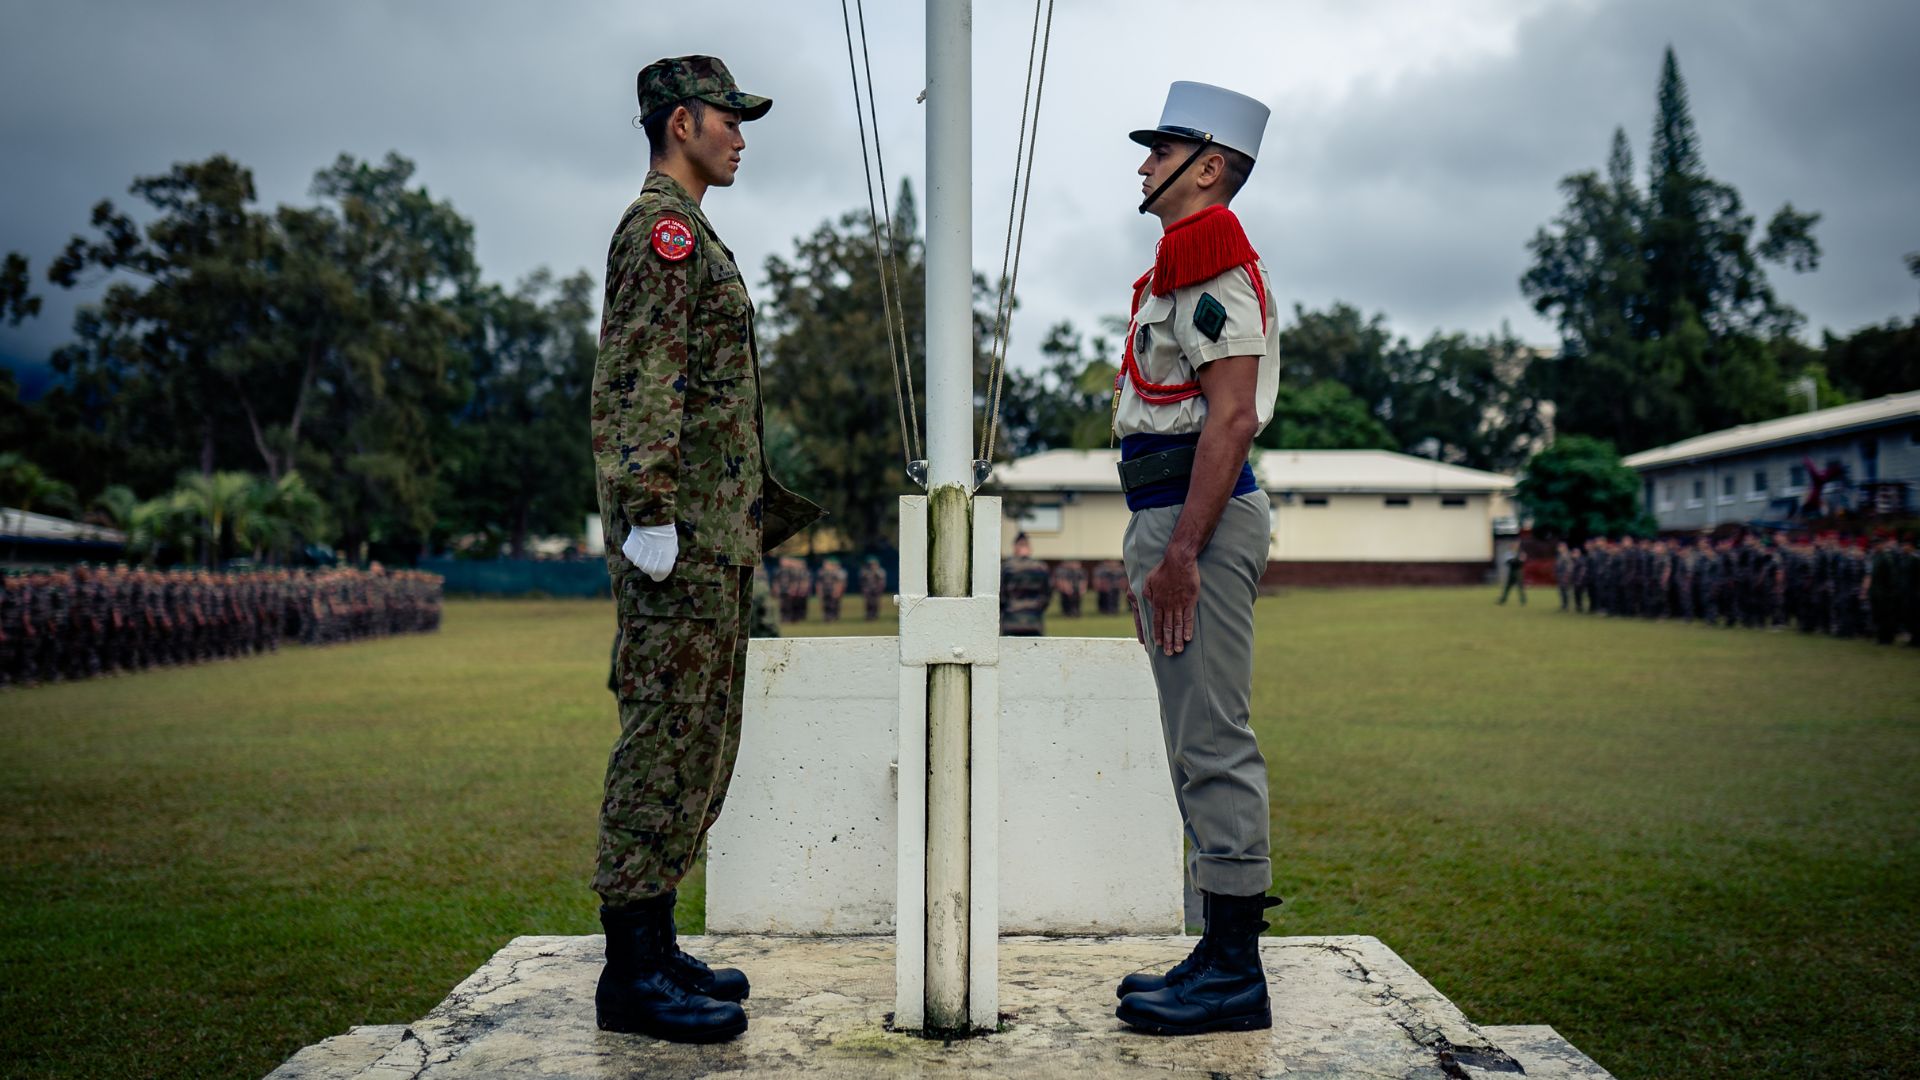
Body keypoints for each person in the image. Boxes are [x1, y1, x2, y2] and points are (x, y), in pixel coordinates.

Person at [589, 54, 820, 1045]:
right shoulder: (664, 231)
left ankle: (656, 942)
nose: (740, 135)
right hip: (674, 541)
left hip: (710, 536)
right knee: (664, 739)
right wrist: (647, 512)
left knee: (700, 742)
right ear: (682, 122)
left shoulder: (692, 232)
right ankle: (630, 973)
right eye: (729, 119)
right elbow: (646, 376)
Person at [1106, 82, 1282, 1037]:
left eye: (1160, 149)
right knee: (1192, 738)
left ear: (1208, 166)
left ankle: (1235, 970)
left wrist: (1181, 552)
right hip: (1170, 511)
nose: (1143, 166)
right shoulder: (1180, 267)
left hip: (1194, 521)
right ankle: (1220, 949)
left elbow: (1233, 415)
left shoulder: (1212, 260)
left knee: (1212, 737)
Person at [999, 533, 1051, 637]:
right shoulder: (1041, 567)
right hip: (1033, 621)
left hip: (1011, 621)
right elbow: (1047, 595)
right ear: (1029, 547)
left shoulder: (1007, 568)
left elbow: (1001, 595)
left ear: (1015, 548)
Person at [858, 555, 888, 621]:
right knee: (868, 602)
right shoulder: (865, 571)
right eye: (870, 564)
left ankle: (875, 615)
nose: (872, 565)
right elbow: (862, 580)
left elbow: (882, 581)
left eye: (873, 564)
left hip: (877, 590)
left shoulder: (880, 571)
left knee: (875, 602)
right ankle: (869, 615)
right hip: (868, 589)